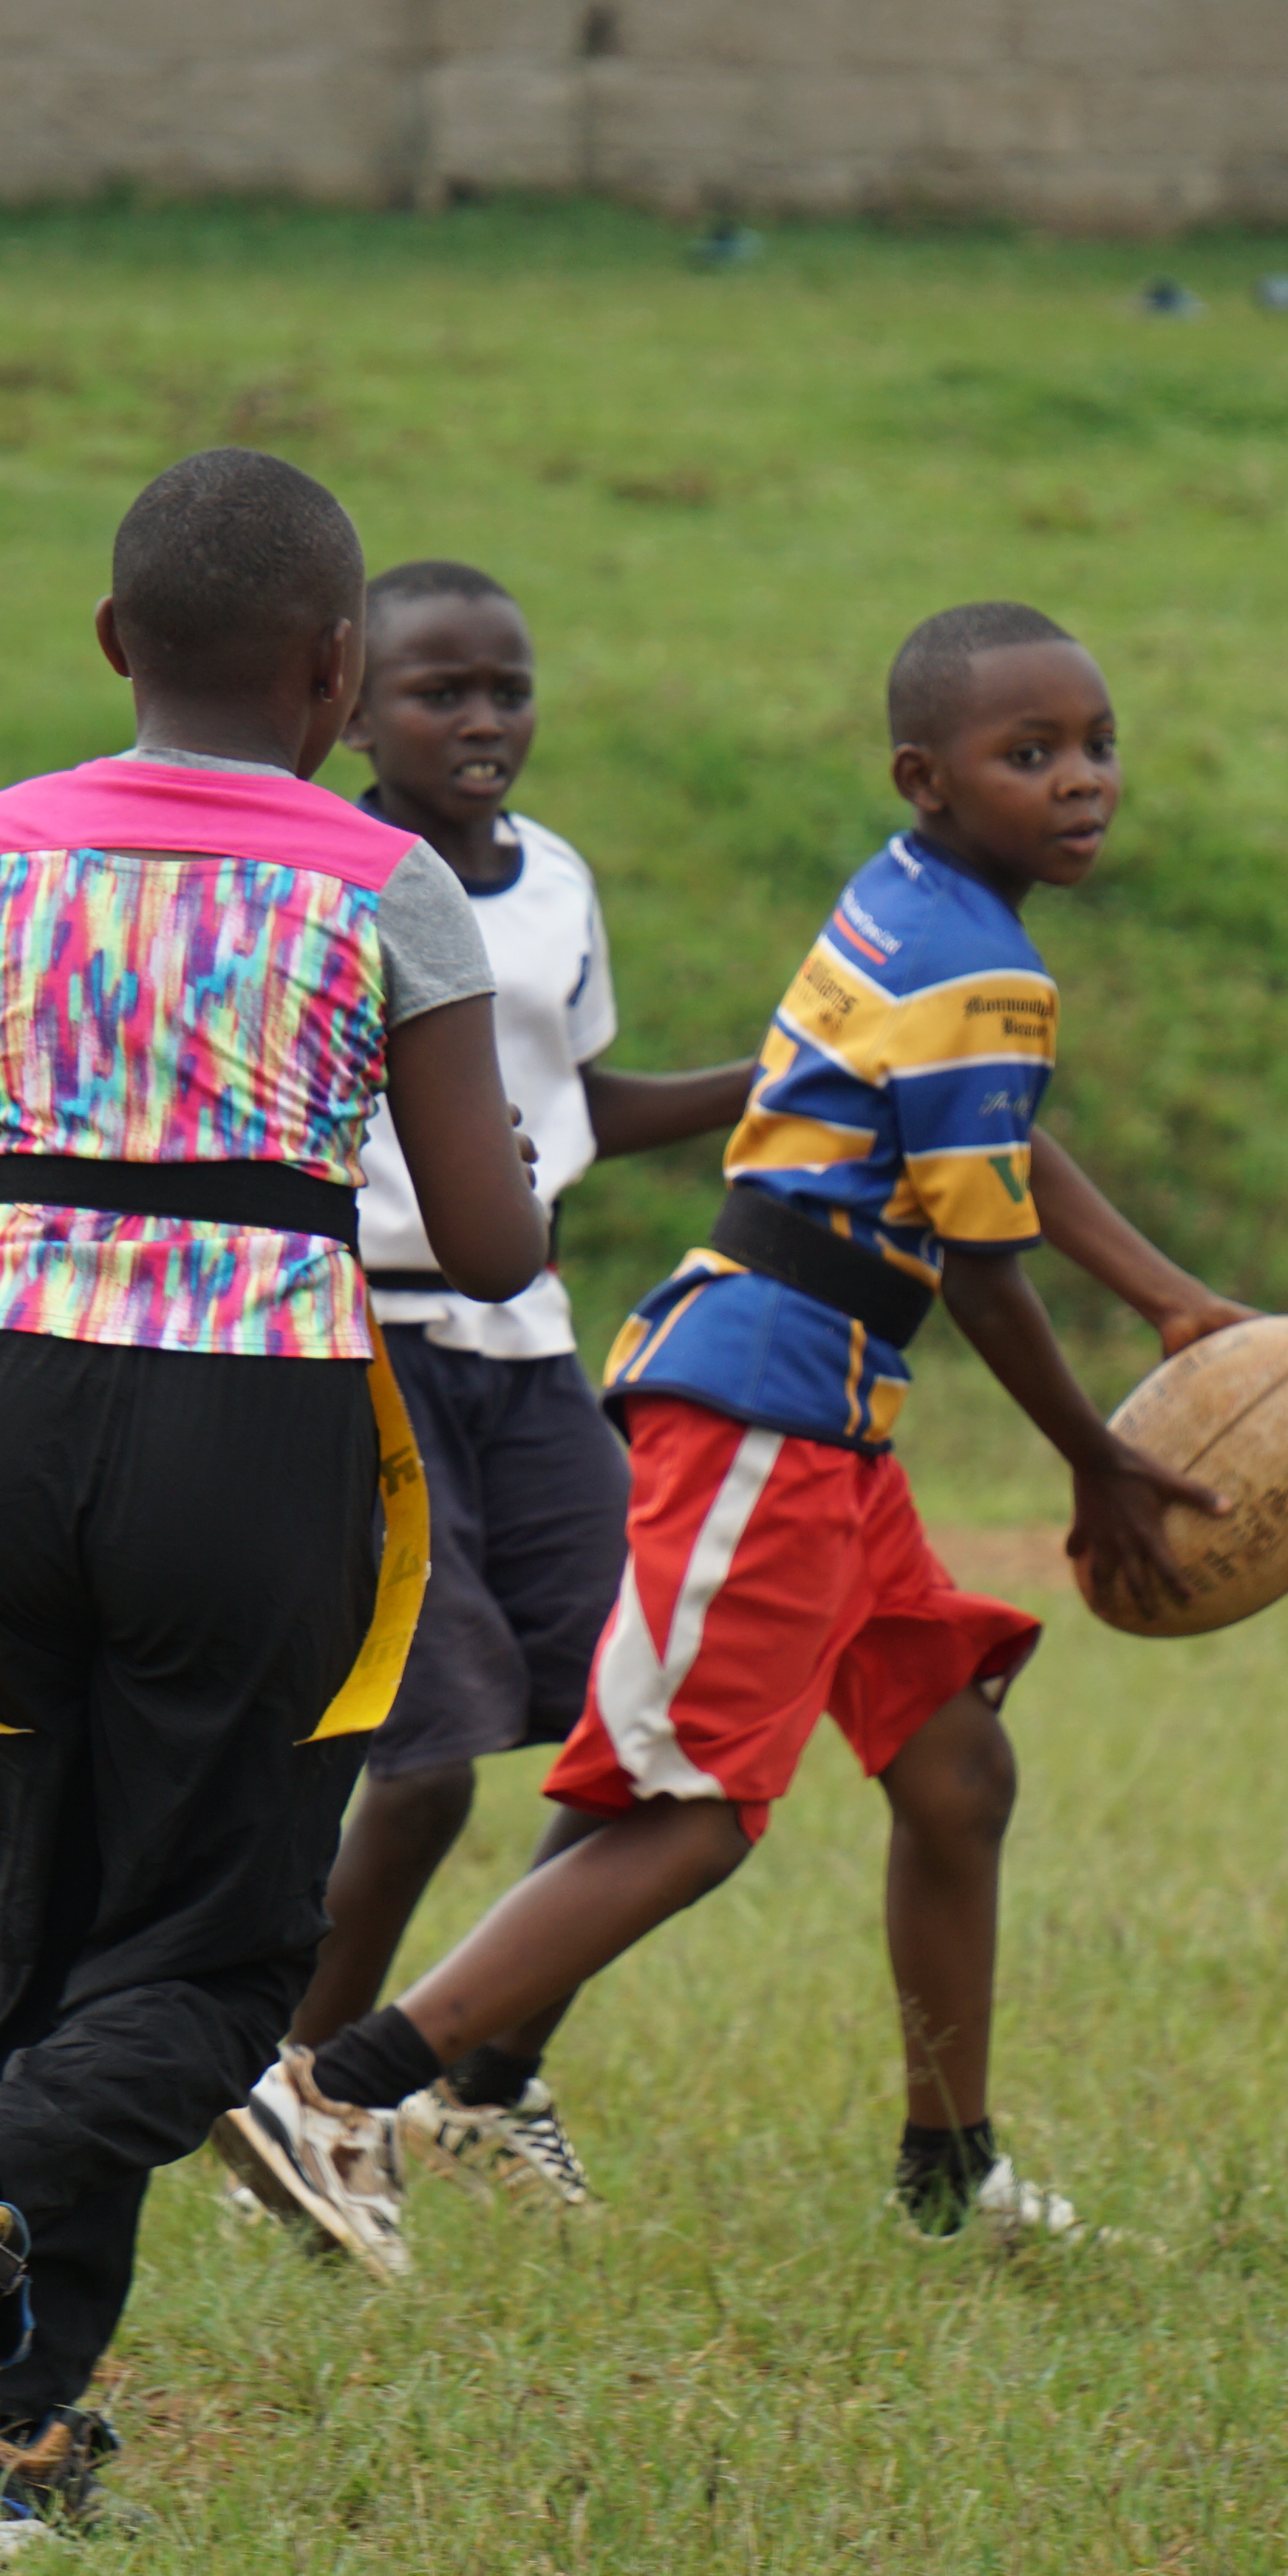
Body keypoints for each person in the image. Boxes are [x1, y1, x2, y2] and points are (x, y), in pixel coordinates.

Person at [217, 601, 1250, 2279]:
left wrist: (1178, 1307)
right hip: (765, 1406)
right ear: (926, 773)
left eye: (1095, 745)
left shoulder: (915, 895)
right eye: (1029, 754)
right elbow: (978, 1256)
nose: (1080, 783)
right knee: (692, 1811)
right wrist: (1097, 1452)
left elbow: (1004, 1149)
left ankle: (948, 2170)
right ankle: (344, 2093)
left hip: (824, 1410)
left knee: (954, 1768)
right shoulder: (971, 957)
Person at [0, 449, 544, 2552]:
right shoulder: (382, 879)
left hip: (5, 1390)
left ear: (116, 643)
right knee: (226, 1949)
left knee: (54, 1909)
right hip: (258, 1413)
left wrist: (58, 1256)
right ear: (338, 669)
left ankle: (20, 2442)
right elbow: (486, 1245)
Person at [262, 558, 754, 2212]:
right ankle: (305, 2106)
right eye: (437, 691)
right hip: (370, 1347)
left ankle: (483, 2083)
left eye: (506, 689)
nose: (480, 721)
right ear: (350, 705)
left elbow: (584, 1098)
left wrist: (796, 1084)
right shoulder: (328, 881)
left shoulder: (557, 885)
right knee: (424, 1768)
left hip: (532, 1355)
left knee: (639, 1729)